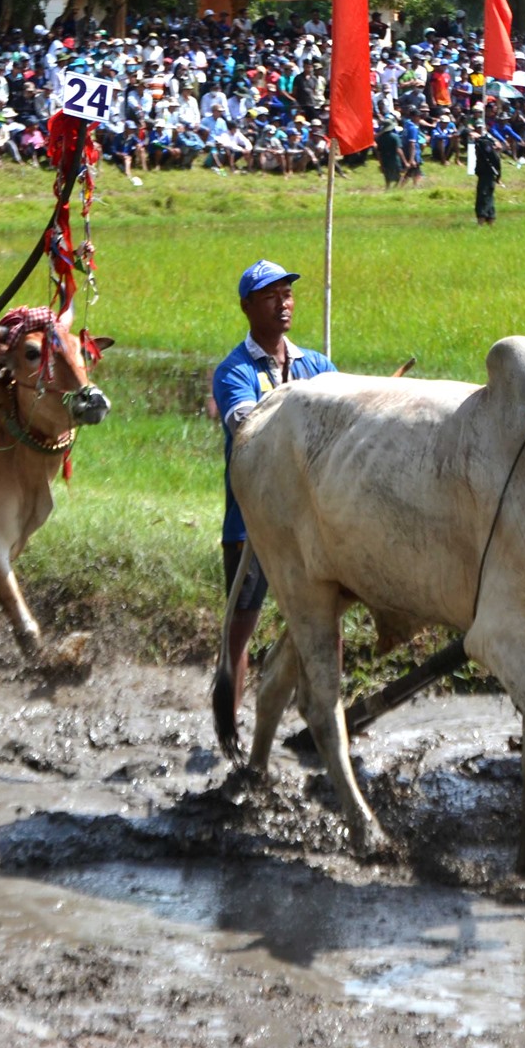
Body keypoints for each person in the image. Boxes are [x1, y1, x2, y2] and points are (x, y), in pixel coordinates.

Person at [211, 260, 336, 713]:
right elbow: (248, 426)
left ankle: (317, 715)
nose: (283, 304)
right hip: (252, 523)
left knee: (320, 624)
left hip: (310, 527)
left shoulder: (317, 364)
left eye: (287, 294)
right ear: (247, 307)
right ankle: (230, 721)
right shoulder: (234, 371)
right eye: (270, 296)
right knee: (240, 627)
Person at [472, 120, 503, 225]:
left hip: (488, 173)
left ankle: (482, 220)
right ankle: (490, 220)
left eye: (480, 128)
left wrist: (499, 174)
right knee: (488, 196)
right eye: (477, 128)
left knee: (483, 196)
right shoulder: (480, 141)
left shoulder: (485, 142)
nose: (478, 130)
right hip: (483, 173)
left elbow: (495, 159)